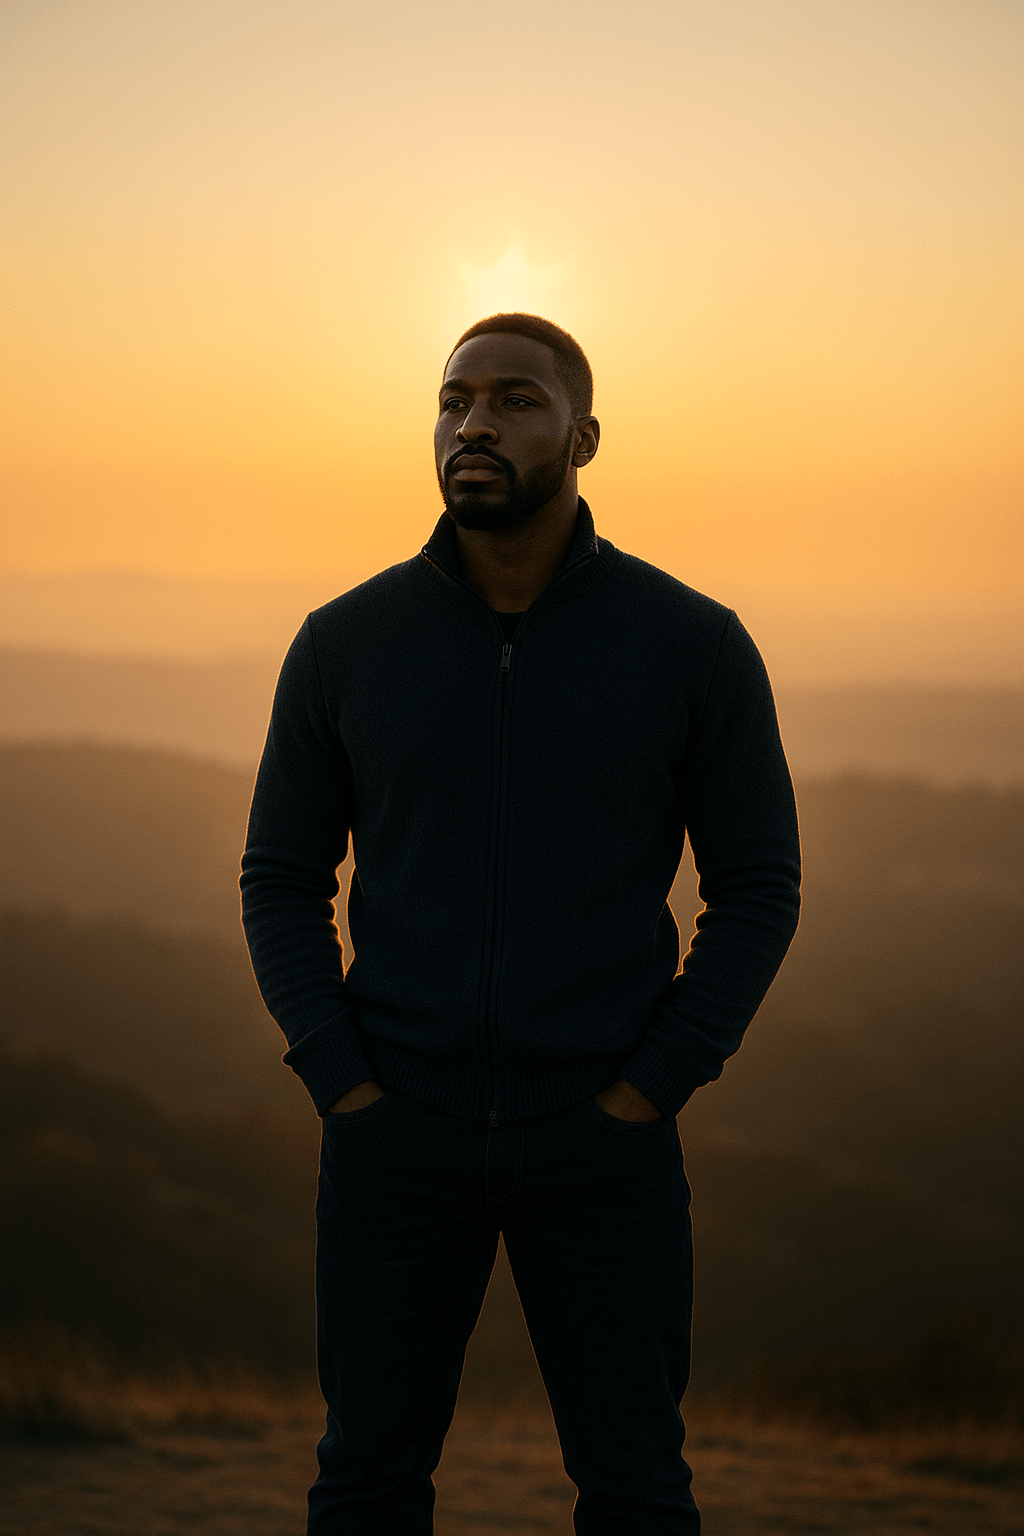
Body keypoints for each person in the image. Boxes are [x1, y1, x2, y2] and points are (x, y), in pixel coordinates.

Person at [240, 313, 801, 1534]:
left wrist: (652, 1085)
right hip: (396, 1140)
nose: (474, 423)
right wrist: (343, 1082)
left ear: (584, 437)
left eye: (514, 400)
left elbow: (757, 884)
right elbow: (280, 876)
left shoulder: (691, 645)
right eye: (453, 401)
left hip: (604, 1146)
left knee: (638, 1492)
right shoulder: (345, 644)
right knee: (365, 1486)